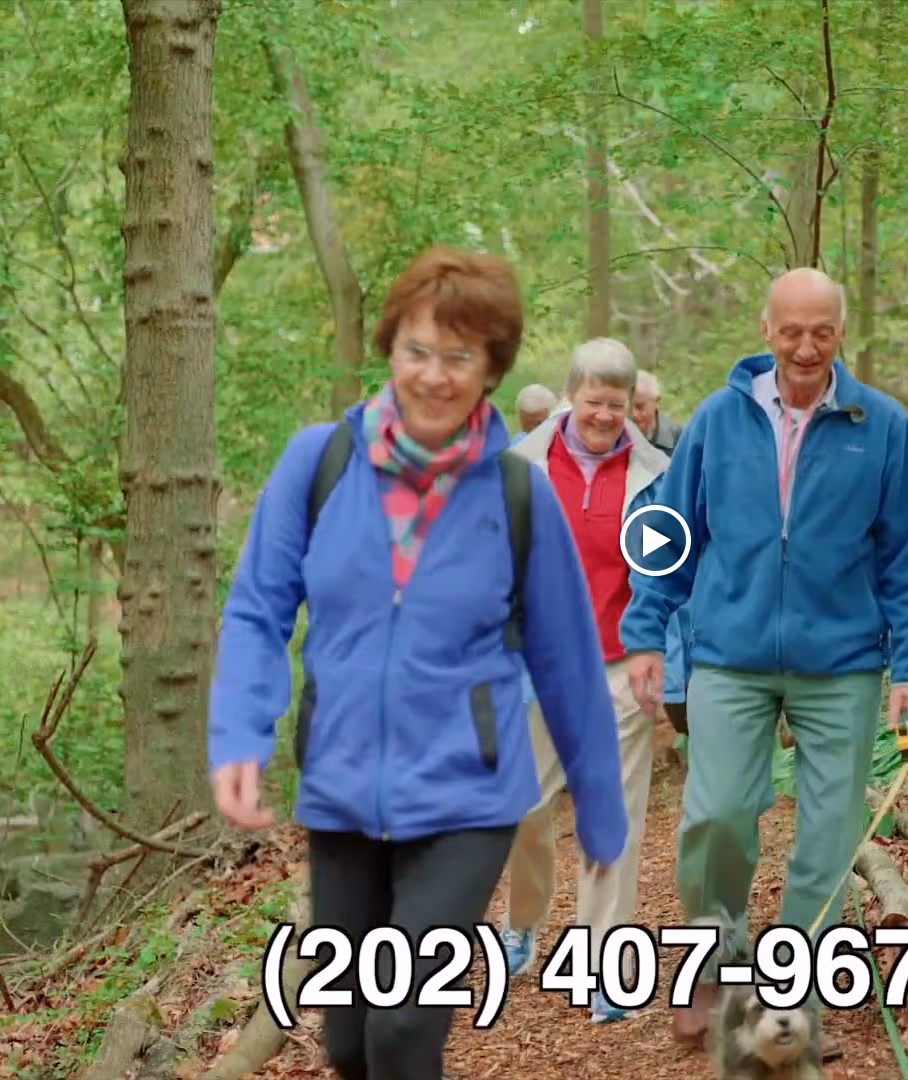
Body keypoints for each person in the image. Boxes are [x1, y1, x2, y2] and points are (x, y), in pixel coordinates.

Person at [207, 246, 629, 1079]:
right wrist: (240, 734)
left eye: (460, 357)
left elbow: (569, 660)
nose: (435, 376)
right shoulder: (317, 465)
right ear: (390, 348)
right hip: (339, 793)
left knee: (404, 1026)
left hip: (467, 798)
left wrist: (600, 803)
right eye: (418, 351)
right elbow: (259, 607)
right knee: (351, 1043)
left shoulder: (517, 494)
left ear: (493, 370)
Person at [616, 267, 908, 1062]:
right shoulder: (718, 423)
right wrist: (647, 632)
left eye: (820, 331)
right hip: (731, 653)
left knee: (831, 833)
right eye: (790, 330)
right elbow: (668, 533)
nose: (805, 346)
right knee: (717, 813)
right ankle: (717, 961)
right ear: (766, 330)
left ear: (841, 333)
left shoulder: (883, 426)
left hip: (842, 662)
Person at [497, 337, 671, 1024]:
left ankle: (606, 970)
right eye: (594, 401)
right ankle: (523, 920)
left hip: (619, 666)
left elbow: (665, 575)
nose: (605, 415)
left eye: (618, 404)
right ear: (570, 397)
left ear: (635, 406)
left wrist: (657, 654)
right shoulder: (521, 466)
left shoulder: (655, 474)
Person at [634, 370, 684, 454]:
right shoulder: (614, 435)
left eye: (640, 407)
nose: (633, 414)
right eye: (628, 406)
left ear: (657, 402)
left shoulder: (679, 439)